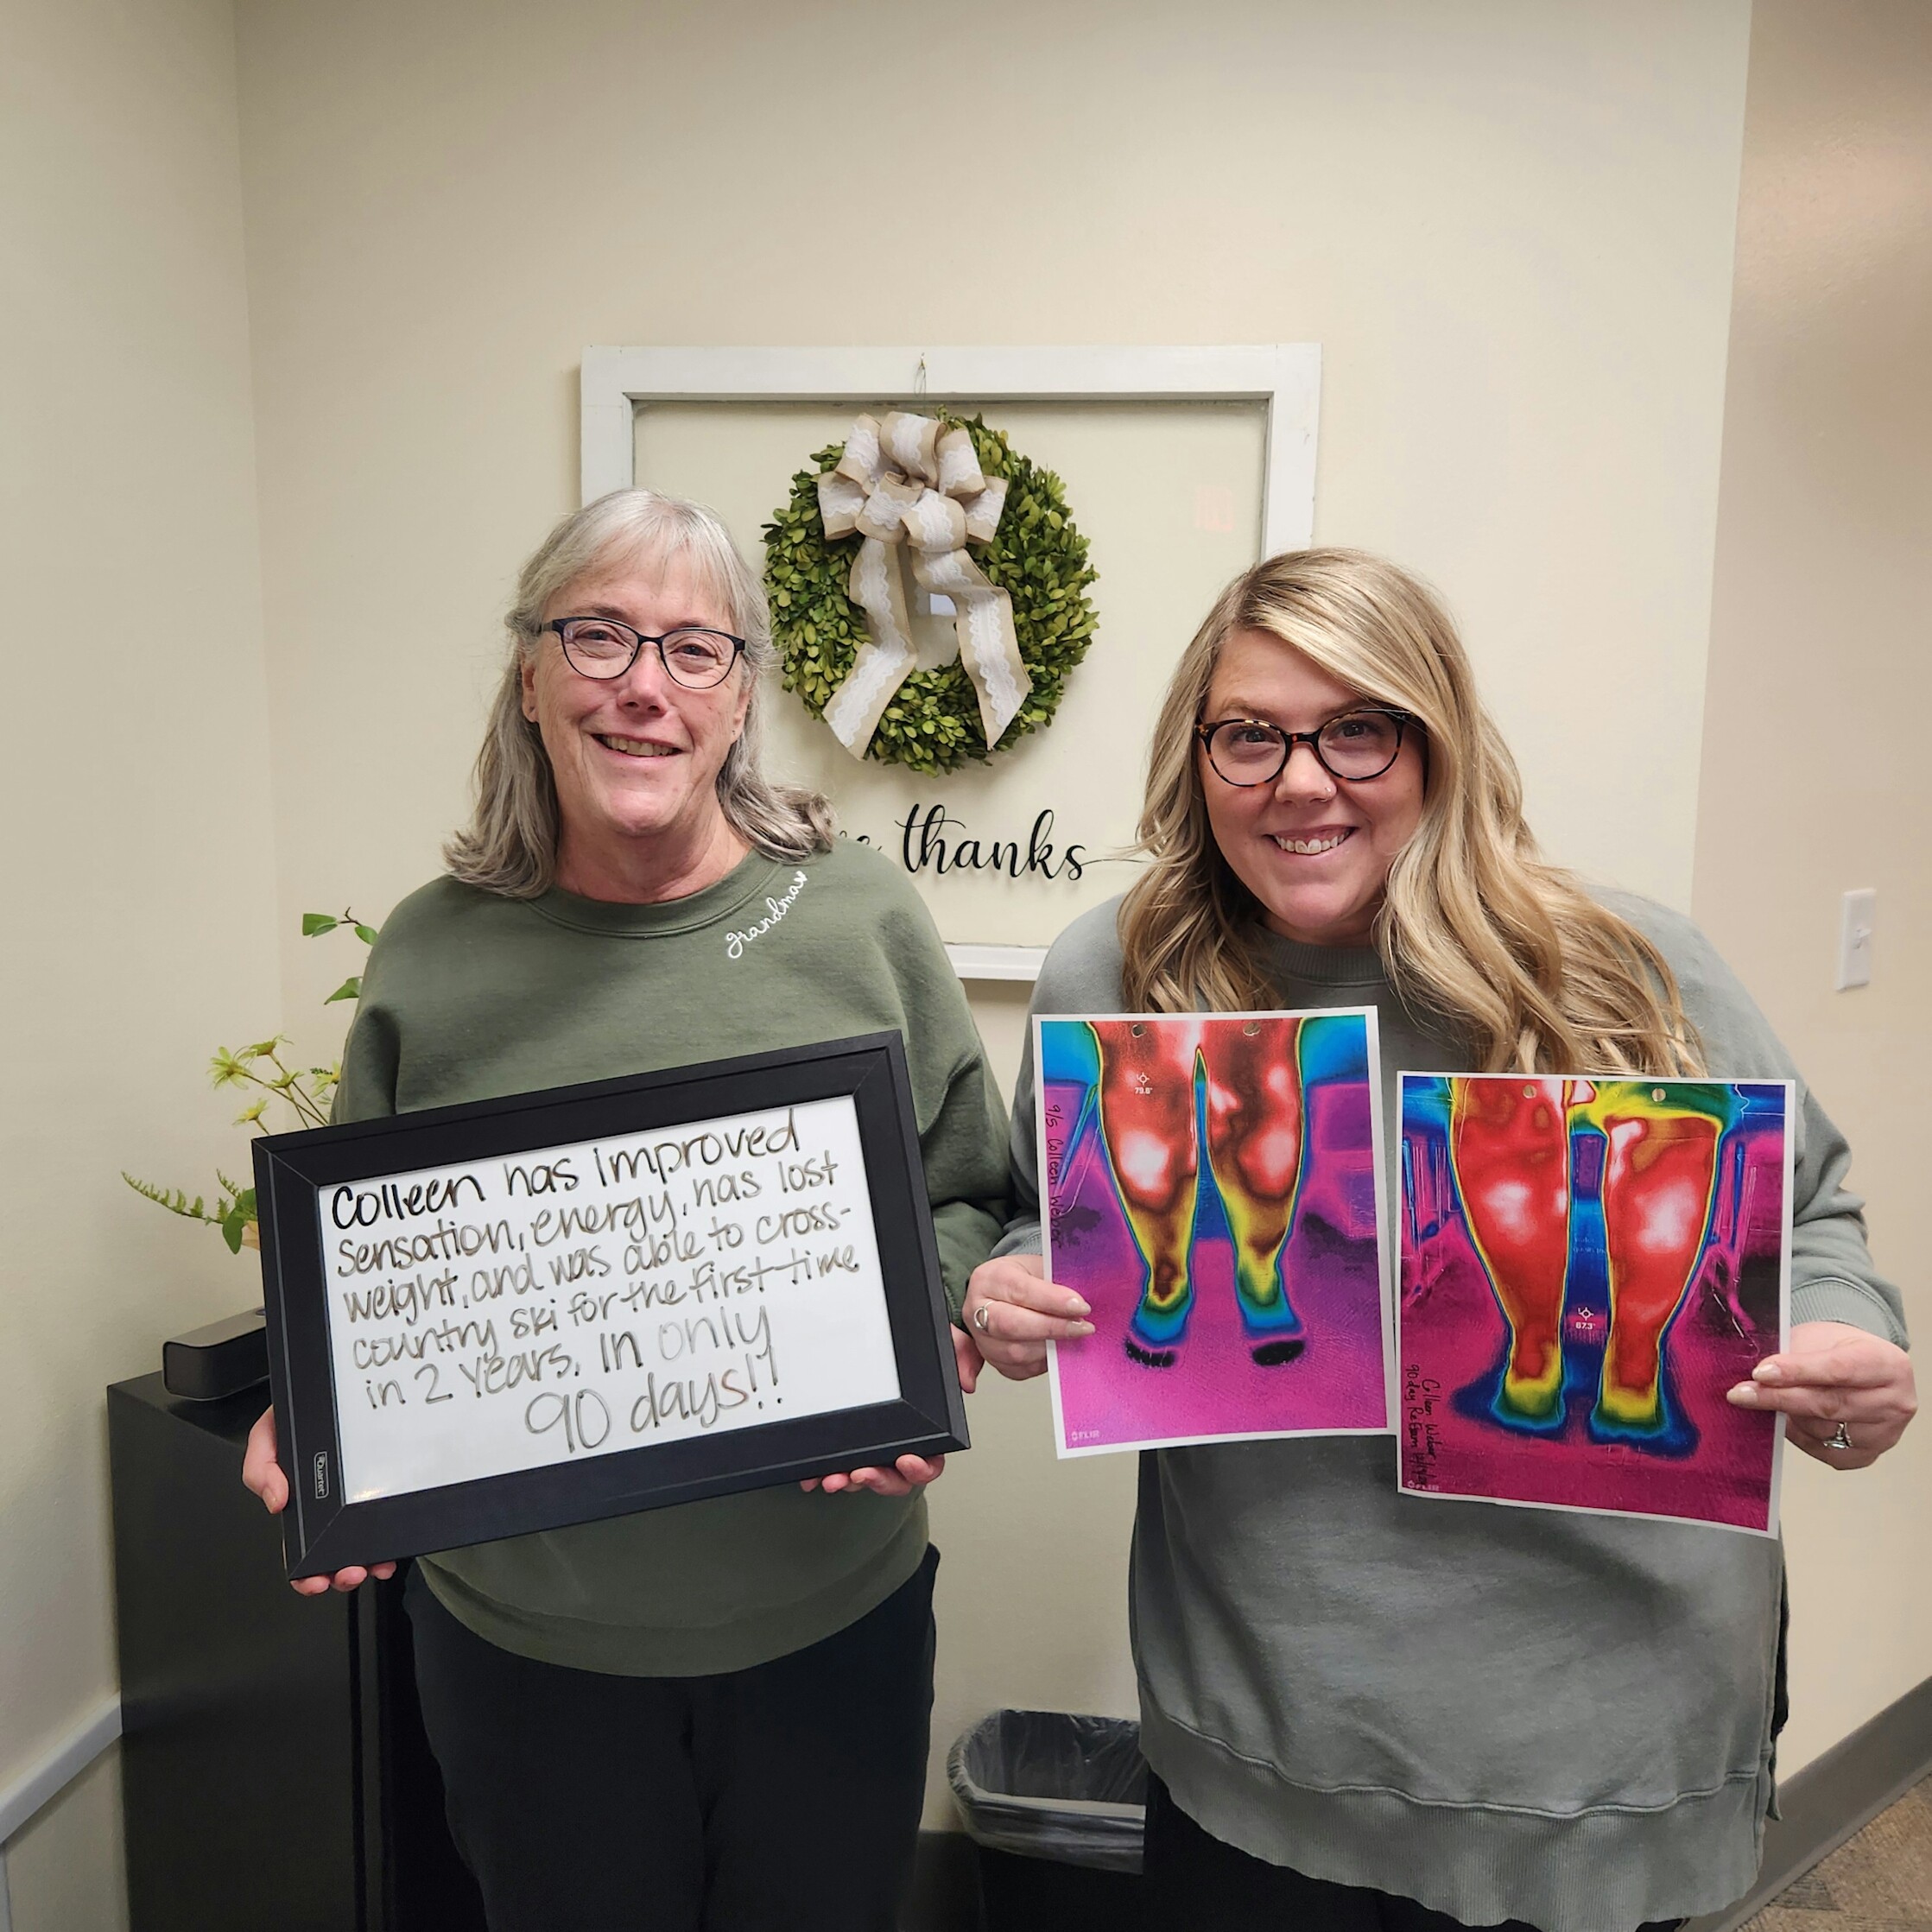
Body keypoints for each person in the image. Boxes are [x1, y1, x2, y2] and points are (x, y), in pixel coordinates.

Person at [960, 550, 1915, 1932]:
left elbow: (1809, 1211)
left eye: (1357, 728)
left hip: (1591, 1721)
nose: (1300, 780)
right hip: (1264, 1713)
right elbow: (1047, 1214)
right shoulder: (1114, 974)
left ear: (1435, 742)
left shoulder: (1619, 964)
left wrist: (1840, 1338)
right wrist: (1015, 1286)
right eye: (1250, 734)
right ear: (1196, 754)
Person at [243, 488, 1009, 1931]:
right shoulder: (429, 954)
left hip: (828, 1626)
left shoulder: (858, 917)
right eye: (596, 635)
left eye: (693, 648)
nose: (644, 685)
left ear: (739, 698)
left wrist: (935, 1332)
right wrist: (321, 1406)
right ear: (531, 677)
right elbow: (369, 1273)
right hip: (524, 1653)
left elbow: (970, 1189)